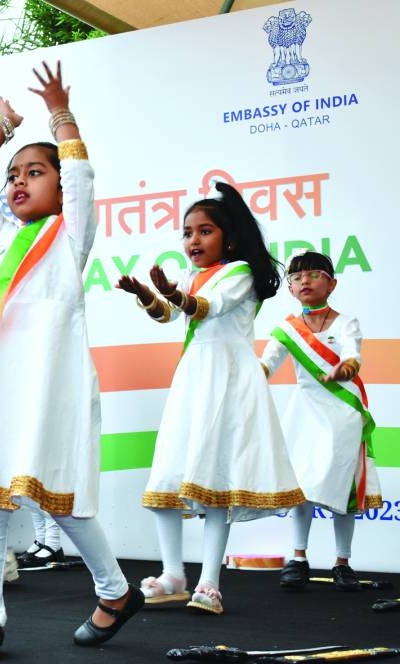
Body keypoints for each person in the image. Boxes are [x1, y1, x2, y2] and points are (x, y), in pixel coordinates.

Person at [0, 62, 142, 661]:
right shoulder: (0, 236)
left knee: (57, 497)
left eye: (35, 172)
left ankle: (115, 591)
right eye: (14, 175)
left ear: (59, 188)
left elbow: (82, 175)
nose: (19, 181)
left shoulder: (70, 236)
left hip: (50, 386)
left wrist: (58, 114)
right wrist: (3, 127)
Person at [116, 182, 303, 615]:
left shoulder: (239, 272)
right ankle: (173, 576)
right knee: (168, 477)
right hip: (193, 380)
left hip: (227, 381)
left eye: (204, 231)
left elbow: (206, 307)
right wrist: (145, 293)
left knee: (215, 480)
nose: (193, 240)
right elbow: (169, 314)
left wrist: (174, 293)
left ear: (229, 238)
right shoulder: (190, 276)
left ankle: (210, 583)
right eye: (187, 233)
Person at [258, 251, 381, 591]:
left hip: (343, 413)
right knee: (301, 487)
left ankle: (343, 562)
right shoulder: (287, 329)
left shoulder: (346, 323)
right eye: (297, 277)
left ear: (332, 284)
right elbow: (267, 364)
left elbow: (352, 357)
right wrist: (249, 376)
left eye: (314, 275)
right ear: (290, 289)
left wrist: (344, 369)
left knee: (343, 488)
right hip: (304, 413)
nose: (305, 281)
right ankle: (298, 559)